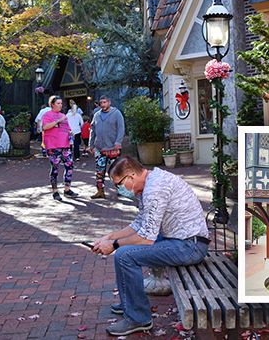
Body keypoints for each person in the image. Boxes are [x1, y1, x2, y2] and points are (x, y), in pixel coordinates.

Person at [90, 156, 209, 336]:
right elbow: (140, 224)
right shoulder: (151, 182)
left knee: (124, 255)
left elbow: (145, 238)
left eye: (119, 184)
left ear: (130, 176)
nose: (120, 189)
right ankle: (129, 305)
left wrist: (113, 245)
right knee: (124, 252)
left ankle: (138, 319)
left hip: (190, 247)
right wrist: (110, 236)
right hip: (180, 240)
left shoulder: (155, 188)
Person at [90, 96, 128, 199]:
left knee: (116, 170)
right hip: (100, 149)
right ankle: (100, 191)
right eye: (101, 102)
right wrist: (91, 145)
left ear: (109, 102)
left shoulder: (116, 113)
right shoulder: (97, 115)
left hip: (113, 148)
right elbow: (92, 130)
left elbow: (121, 128)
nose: (103, 104)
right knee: (99, 171)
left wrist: (118, 142)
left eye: (105, 102)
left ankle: (121, 190)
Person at [41, 96, 76, 198]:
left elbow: (67, 128)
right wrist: (57, 121)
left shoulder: (63, 115)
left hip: (65, 145)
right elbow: (45, 127)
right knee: (55, 168)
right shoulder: (47, 115)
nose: (60, 105)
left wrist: (71, 133)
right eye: (58, 103)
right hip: (53, 146)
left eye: (61, 103)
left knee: (70, 165)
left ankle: (67, 189)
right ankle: (55, 191)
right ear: (52, 104)